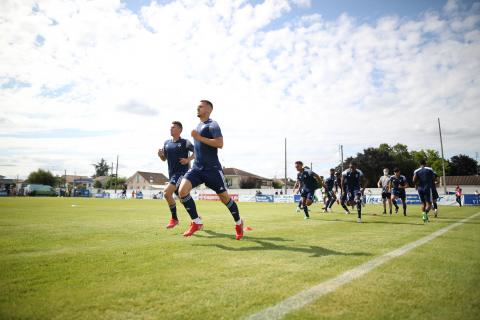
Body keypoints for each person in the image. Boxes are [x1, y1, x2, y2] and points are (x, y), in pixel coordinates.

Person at [177, 100, 244, 240]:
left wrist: (199, 137)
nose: (197, 108)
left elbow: (220, 143)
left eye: (200, 106)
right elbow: (198, 149)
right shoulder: (198, 125)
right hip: (197, 168)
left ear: (208, 109)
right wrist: (190, 159)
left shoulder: (213, 125)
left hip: (212, 169)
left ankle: (238, 223)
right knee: (182, 191)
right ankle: (196, 222)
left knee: (225, 198)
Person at [158, 121, 195, 229]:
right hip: (172, 174)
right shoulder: (166, 143)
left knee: (166, 193)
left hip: (182, 173)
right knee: (184, 199)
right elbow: (164, 159)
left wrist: (188, 159)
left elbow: (197, 151)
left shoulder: (185, 142)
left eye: (173, 127)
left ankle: (174, 219)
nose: (171, 129)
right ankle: (197, 218)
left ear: (180, 130)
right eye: (171, 128)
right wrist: (160, 155)